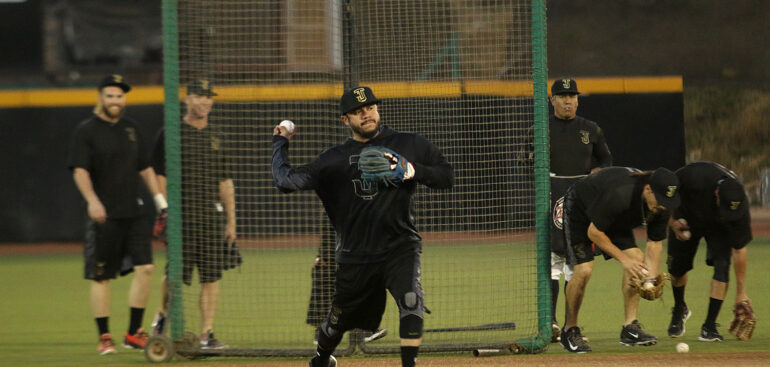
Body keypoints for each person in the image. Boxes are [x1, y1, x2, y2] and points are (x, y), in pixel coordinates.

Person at [272, 86, 454, 367]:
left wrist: (412, 169)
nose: (365, 114)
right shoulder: (332, 160)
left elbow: (446, 176)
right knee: (336, 323)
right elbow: (285, 181)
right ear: (345, 120)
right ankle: (322, 358)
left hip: (400, 245)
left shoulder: (408, 144)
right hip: (355, 256)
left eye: (369, 107)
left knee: (410, 299)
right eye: (357, 112)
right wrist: (281, 142)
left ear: (378, 109)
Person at [68, 74, 167, 355]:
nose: (115, 100)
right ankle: (105, 337)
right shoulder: (86, 130)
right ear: (100, 97)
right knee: (102, 276)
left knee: (146, 268)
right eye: (110, 95)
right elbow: (80, 170)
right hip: (104, 215)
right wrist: (92, 201)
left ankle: (133, 332)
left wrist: (161, 202)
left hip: (133, 211)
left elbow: (145, 168)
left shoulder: (131, 128)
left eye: (120, 96)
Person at [150, 80, 237, 349]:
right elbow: (159, 174)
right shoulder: (172, 133)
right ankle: (163, 318)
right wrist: (165, 209)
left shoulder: (218, 135)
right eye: (198, 96)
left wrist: (232, 220)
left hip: (210, 217)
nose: (204, 101)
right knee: (174, 275)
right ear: (187, 99)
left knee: (211, 277)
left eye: (208, 97)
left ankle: (206, 333)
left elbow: (225, 181)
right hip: (180, 218)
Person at [560, 167, 681, 353]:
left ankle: (630, 328)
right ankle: (570, 330)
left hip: (614, 217)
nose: (663, 206)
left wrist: (649, 279)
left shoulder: (661, 205)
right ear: (648, 189)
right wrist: (624, 259)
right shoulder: (620, 193)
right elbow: (594, 232)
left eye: (667, 201)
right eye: (661, 200)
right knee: (584, 270)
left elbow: (655, 244)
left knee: (637, 261)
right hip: (580, 210)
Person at [548, 77, 612, 341]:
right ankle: (549, 323)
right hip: (552, 199)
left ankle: (569, 325)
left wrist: (594, 177)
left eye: (572, 96)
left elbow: (606, 161)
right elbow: (523, 161)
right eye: (562, 96)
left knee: (577, 261)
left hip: (581, 201)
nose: (568, 100)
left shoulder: (591, 129)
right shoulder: (540, 129)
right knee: (553, 260)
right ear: (552, 100)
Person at [666, 161, 752, 341]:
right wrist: (672, 221)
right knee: (677, 270)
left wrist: (741, 294)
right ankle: (679, 307)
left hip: (718, 228)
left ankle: (709, 326)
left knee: (722, 266)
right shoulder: (695, 176)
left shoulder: (740, 205)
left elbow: (739, 250)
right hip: (686, 217)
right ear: (716, 193)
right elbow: (666, 191)